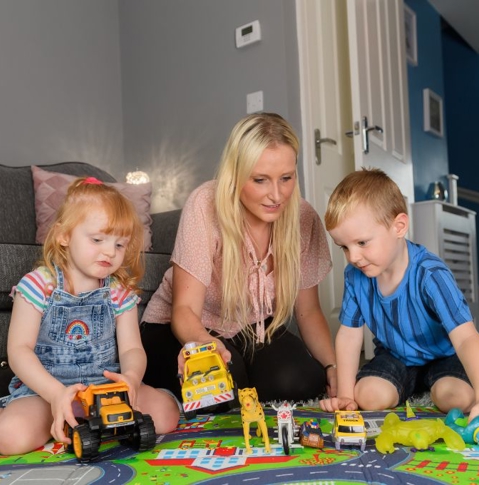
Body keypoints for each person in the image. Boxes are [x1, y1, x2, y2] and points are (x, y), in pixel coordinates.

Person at [141, 112, 337, 403]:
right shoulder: (204, 204)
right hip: (184, 329)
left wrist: (334, 367)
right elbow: (184, 311)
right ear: (235, 175)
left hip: (253, 329)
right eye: (260, 180)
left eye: (286, 178)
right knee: (225, 388)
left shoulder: (303, 217)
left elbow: (308, 312)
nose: (277, 195)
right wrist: (208, 346)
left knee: (303, 381)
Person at [0, 177, 180, 455]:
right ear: (64, 235)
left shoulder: (118, 291)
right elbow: (19, 351)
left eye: (120, 244)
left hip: (105, 389)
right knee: (9, 438)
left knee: (166, 417)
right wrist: (55, 394)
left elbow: (132, 348)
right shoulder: (39, 285)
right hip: (47, 391)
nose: (110, 252)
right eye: (98, 239)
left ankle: (87, 421)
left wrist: (132, 378)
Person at [319, 168, 479, 440]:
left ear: (399, 227)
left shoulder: (430, 275)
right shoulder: (356, 277)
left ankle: (437, 384)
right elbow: (350, 335)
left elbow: (465, 339)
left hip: (445, 355)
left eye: (362, 242)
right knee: (366, 396)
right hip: (396, 355)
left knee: (455, 398)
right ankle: (406, 384)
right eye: (344, 247)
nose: (353, 256)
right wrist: (345, 396)